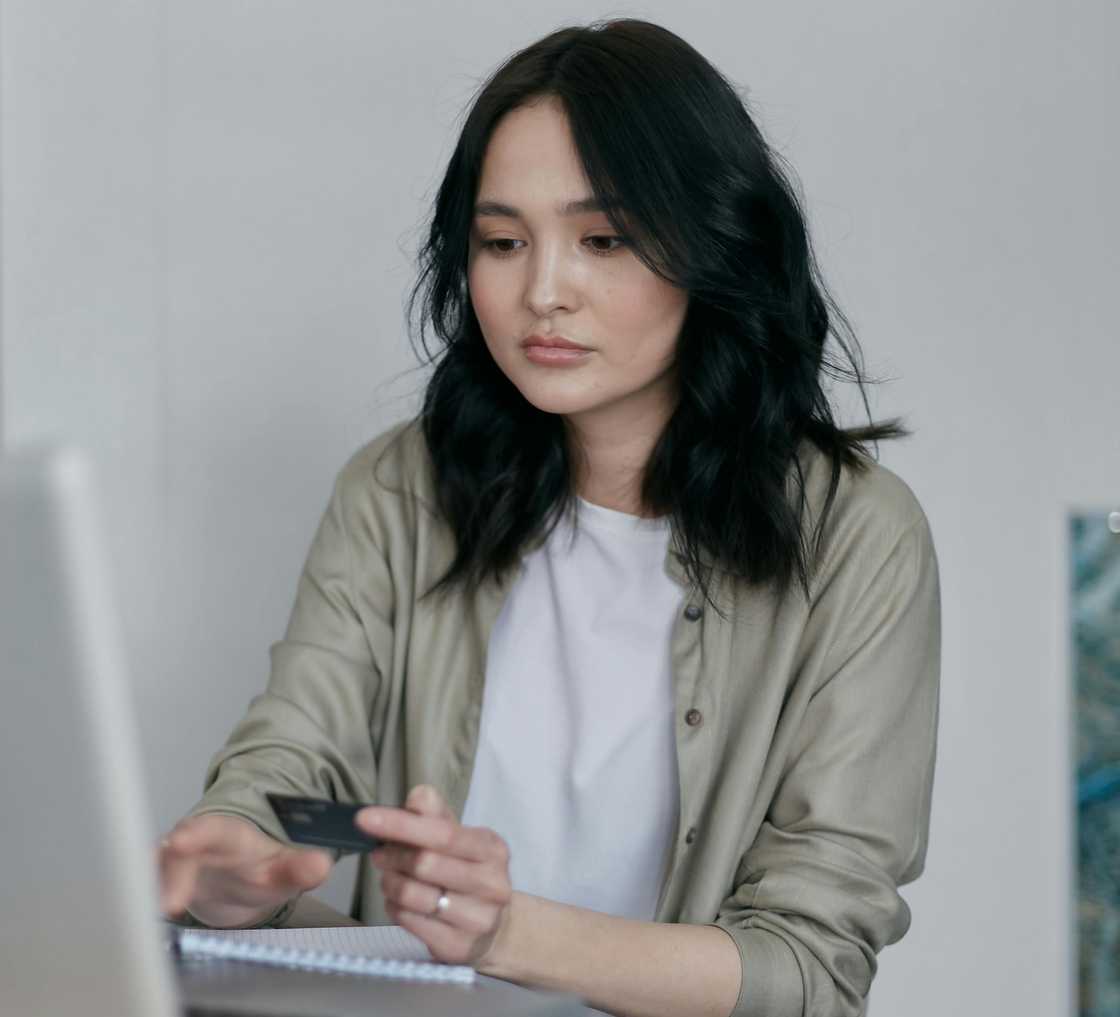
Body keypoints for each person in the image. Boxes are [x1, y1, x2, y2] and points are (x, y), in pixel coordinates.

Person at [158, 18, 940, 1017]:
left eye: (603, 239)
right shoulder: (399, 490)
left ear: (711, 244)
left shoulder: (856, 539)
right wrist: (233, 857)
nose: (541, 292)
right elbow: (286, 762)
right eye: (500, 241)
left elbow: (810, 969)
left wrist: (505, 932)